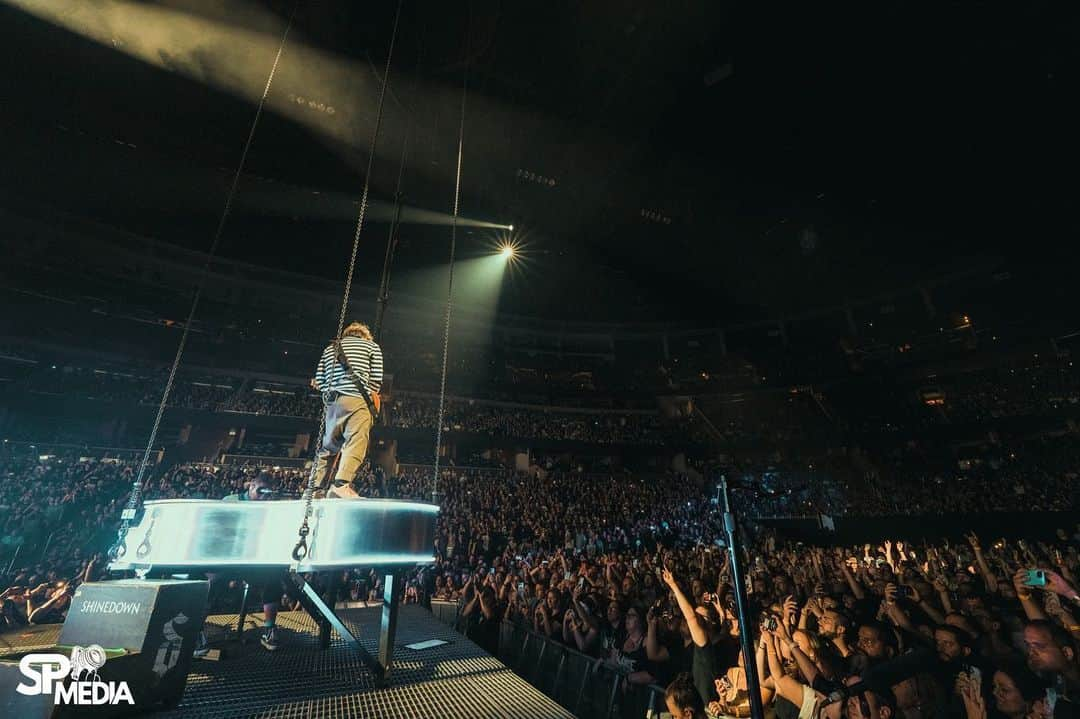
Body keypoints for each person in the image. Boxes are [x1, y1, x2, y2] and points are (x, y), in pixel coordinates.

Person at [310, 321, 383, 499]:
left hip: (333, 402)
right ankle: (340, 486)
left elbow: (319, 380)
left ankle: (315, 489)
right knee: (356, 441)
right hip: (357, 400)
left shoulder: (330, 349)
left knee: (328, 446)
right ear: (365, 335)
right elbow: (375, 382)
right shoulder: (372, 347)